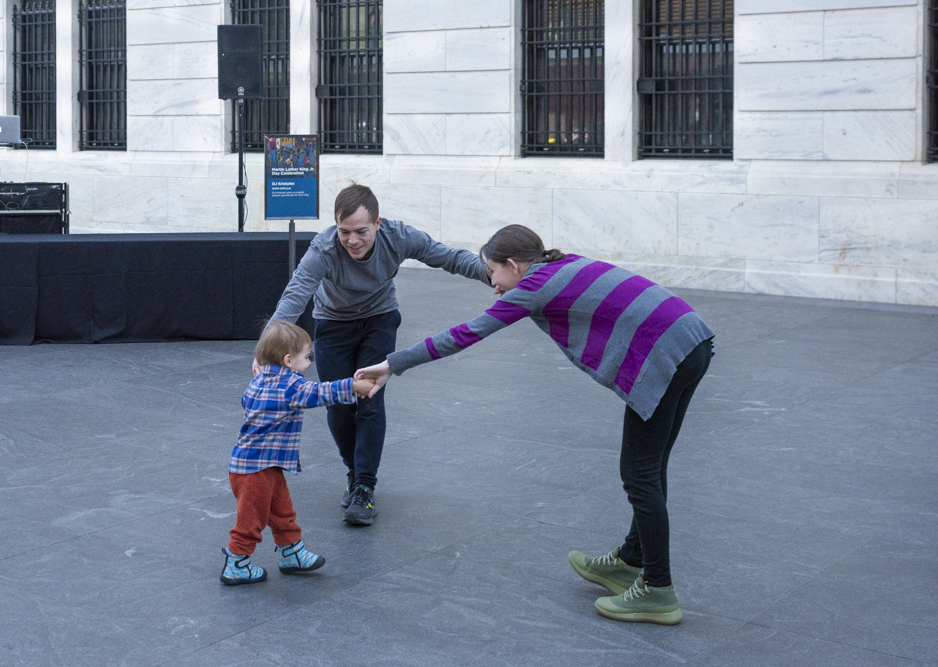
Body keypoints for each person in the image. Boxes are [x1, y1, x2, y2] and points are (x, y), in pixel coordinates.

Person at [355, 224, 714, 625]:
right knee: (650, 466)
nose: (493, 285)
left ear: (513, 265)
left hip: (668, 350)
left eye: (493, 273)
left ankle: (658, 590)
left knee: (639, 473)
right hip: (692, 338)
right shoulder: (561, 264)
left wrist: (393, 363)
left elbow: (465, 334)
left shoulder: (534, 286)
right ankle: (632, 561)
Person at [261, 183, 488, 526]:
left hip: (379, 319)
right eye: (344, 231)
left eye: (361, 231)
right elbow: (296, 293)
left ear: (378, 223)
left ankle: (365, 487)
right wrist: (269, 348)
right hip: (333, 323)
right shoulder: (323, 249)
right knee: (338, 404)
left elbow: (450, 257)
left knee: (369, 397)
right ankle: (354, 474)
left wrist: (496, 275)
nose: (352, 240)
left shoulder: (399, 236)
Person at [221, 320, 375, 585]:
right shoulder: (290, 386)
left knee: (283, 511)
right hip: (256, 471)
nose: (309, 363)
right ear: (288, 360)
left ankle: (291, 553)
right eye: (306, 357)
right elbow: (319, 392)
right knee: (251, 521)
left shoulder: (258, 382)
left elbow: (246, 402)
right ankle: (236, 564)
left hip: (261, 465)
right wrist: (352, 386)